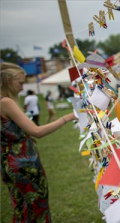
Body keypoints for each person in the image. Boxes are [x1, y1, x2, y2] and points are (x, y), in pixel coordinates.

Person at [0, 62, 77, 222]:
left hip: (10, 164)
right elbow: (37, 131)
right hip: (23, 166)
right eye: (20, 83)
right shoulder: (5, 102)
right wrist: (68, 117)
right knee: (36, 208)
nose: (22, 88)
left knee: (22, 208)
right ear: (7, 80)